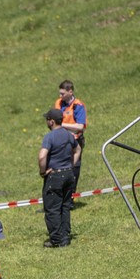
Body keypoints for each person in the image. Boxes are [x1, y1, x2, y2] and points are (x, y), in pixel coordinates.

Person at [39, 109, 80, 248]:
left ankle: (56, 239)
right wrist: (70, 165)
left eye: (47, 119)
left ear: (51, 121)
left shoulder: (49, 137)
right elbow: (78, 150)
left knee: (52, 208)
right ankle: (65, 235)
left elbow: (42, 156)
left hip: (55, 176)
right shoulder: (69, 135)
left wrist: (43, 172)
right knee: (65, 206)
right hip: (69, 174)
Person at [54, 80, 87, 193]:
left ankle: (70, 196)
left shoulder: (78, 106)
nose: (60, 96)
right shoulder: (58, 103)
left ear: (70, 92)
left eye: (62, 94)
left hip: (75, 142)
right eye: (60, 93)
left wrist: (61, 125)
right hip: (61, 141)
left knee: (73, 168)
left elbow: (80, 126)